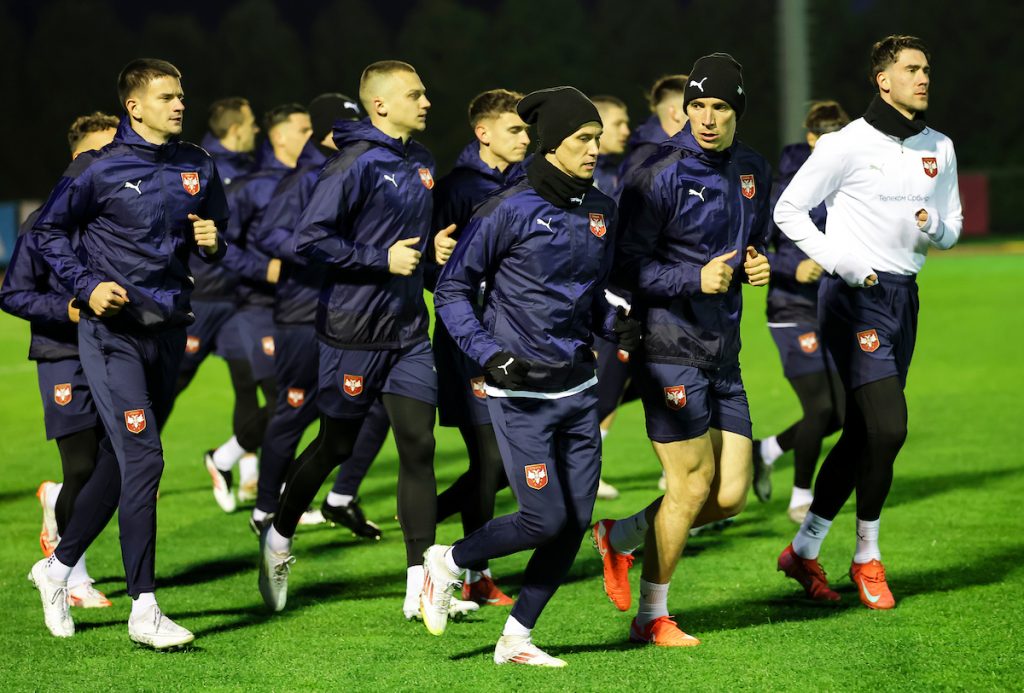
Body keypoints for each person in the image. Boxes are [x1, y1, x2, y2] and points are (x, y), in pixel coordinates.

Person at [421, 86, 636, 668]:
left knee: (574, 519)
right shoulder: (506, 210)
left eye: (597, 139)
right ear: (551, 145)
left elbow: (589, 297)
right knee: (543, 517)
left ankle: (516, 638)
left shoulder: (601, 210)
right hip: (519, 391)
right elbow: (452, 290)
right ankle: (447, 561)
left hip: (578, 387)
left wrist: (617, 322)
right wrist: (488, 353)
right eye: (581, 140)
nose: (594, 150)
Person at [256, 61, 476, 622]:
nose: (427, 102)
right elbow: (310, 240)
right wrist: (380, 260)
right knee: (335, 446)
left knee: (418, 447)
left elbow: (410, 247)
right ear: (380, 105)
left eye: (425, 92)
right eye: (414, 94)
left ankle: (419, 583)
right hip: (352, 333)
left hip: (407, 332)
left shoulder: (423, 162)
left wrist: (431, 256)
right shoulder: (351, 164)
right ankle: (278, 539)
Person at [29, 58, 228, 648]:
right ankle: (145, 608)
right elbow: (46, 232)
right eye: (166, 96)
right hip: (111, 335)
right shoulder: (96, 168)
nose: (179, 104)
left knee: (122, 466)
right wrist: (85, 284)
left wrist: (213, 240)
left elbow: (215, 235)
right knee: (146, 462)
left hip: (169, 332)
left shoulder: (199, 163)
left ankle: (57, 569)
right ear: (133, 107)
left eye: (182, 95)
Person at [773, 35, 961, 610]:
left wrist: (934, 227)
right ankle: (866, 557)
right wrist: (841, 261)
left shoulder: (940, 147)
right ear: (884, 80)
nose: (923, 77)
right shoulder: (844, 143)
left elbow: (952, 227)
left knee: (863, 433)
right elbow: (788, 211)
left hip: (905, 297)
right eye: (911, 69)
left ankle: (803, 552)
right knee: (889, 429)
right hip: (854, 297)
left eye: (926, 68)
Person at [591, 54, 772, 646]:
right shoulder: (656, 170)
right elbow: (624, 269)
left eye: (720, 106)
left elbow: (753, 239)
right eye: (698, 105)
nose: (708, 117)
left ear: (737, 110)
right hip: (668, 344)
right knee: (690, 487)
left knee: (730, 496)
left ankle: (618, 537)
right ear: (686, 108)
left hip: (724, 349)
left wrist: (758, 261)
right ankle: (652, 616)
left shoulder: (752, 167)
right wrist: (693, 280)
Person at [249, 93, 387, 539]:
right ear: (326, 132)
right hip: (302, 313)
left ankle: (340, 497)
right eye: (344, 128)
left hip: (346, 314)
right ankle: (266, 508)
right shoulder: (307, 176)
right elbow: (266, 233)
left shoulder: (350, 169)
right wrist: (326, 256)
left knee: (377, 407)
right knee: (294, 410)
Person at [1, 113, 119, 610]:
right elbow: (12, 293)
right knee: (83, 466)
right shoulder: (42, 222)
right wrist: (69, 309)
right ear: (78, 161)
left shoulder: (119, 217)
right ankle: (73, 574)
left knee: (117, 465)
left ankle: (56, 506)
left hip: (116, 354)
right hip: (63, 353)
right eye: (102, 153)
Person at [430, 88, 528, 607]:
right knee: (490, 457)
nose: (525, 138)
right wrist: (437, 257)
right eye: (514, 129)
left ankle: (425, 514)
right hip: (469, 342)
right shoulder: (455, 189)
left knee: (512, 463)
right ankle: (475, 572)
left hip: (521, 338)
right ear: (483, 133)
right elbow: (428, 269)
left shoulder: (531, 184)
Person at [201, 104, 312, 511]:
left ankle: (224, 458)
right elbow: (219, 246)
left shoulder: (314, 180)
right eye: (304, 129)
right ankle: (279, 498)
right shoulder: (251, 186)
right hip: (257, 307)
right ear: (279, 136)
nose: (311, 135)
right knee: (286, 398)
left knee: (306, 398)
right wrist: (265, 268)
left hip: (301, 306)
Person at [752, 101, 850, 521]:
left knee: (842, 414)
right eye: (825, 133)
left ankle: (766, 450)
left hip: (834, 307)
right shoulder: (785, 183)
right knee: (821, 409)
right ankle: (800, 498)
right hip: (791, 308)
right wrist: (796, 266)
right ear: (811, 137)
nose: (834, 140)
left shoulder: (850, 176)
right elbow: (756, 249)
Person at [613, 74, 689, 201]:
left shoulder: (679, 151)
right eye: (695, 106)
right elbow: (625, 213)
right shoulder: (646, 159)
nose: (703, 115)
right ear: (675, 113)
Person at [202, 97, 259, 186]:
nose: (256, 130)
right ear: (235, 130)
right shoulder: (213, 171)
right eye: (251, 124)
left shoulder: (243, 160)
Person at [591, 95, 630, 195]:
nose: (626, 131)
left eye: (626, 124)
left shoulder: (621, 173)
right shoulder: (571, 173)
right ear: (596, 126)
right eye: (618, 124)